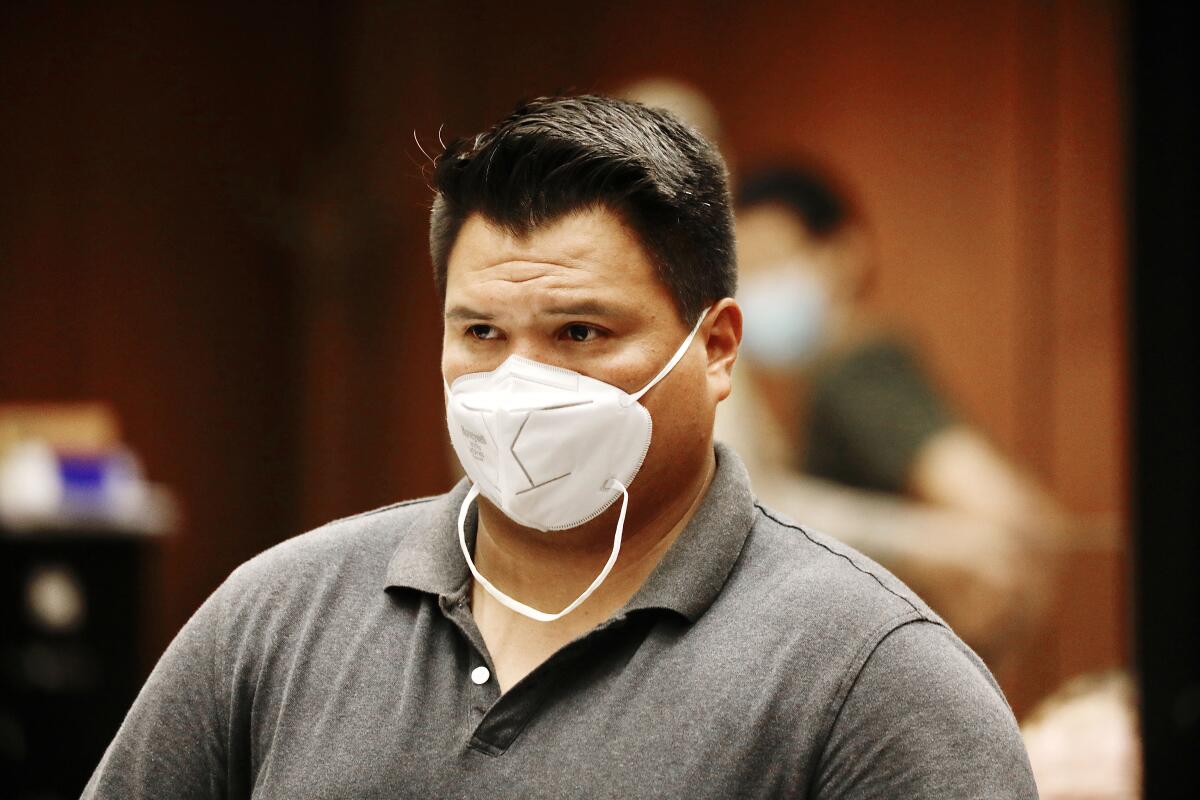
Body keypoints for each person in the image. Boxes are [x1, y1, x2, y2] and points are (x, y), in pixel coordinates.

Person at [84, 95, 1036, 798]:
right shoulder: (279, 618)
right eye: (481, 335)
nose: (520, 386)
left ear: (714, 349)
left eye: (580, 333)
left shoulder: (870, 674)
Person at [718, 164, 1069, 664]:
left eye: (774, 260)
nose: (758, 286)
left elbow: (1008, 515)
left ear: (845, 255)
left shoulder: (858, 371)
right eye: (744, 269)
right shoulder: (808, 383)